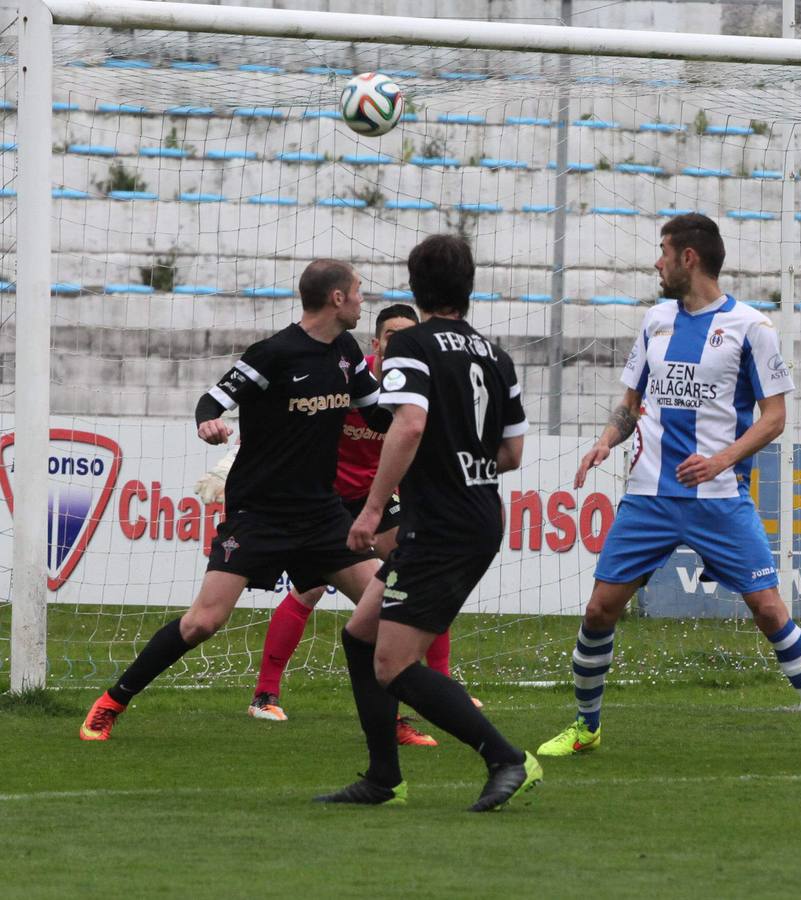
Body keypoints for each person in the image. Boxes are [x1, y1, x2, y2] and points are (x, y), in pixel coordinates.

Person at [535, 213, 801, 765]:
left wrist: (721, 460)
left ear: (689, 258)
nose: (655, 262)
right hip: (648, 498)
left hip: (719, 499)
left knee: (770, 611)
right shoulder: (655, 320)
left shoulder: (753, 328)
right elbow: (630, 402)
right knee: (598, 611)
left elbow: (774, 418)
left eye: (662, 251)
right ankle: (586, 727)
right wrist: (605, 441)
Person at [80, 260, 389, 741]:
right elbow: (212, 400)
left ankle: (394, 724)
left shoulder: (347, 351)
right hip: (260, 515)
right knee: (203, 623)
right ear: (336, 298)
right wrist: (208, 424)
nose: (361, 300)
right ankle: (111, 702)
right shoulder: (274, 353)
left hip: (322, 515)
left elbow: (381, 417)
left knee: (382, 610)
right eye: (357, 292)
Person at [315, 234, 541, 810]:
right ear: (468, 287)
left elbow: (409, 425)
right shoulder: (497, 356)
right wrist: (461, 457)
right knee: (361, 635)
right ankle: (383, 779)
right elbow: (512, 455)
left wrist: (370, 511)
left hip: (440, 522)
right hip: (476, 510)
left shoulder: (410, 343)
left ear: (416, 288)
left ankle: (505, 757)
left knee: (393, 663)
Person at [225, 303, 470, 744]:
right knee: (311, 588)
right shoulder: (350, 376)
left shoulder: (421, 382)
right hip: (324, 500)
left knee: (415, 574)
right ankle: (265, 694)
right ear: (376, 343)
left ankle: (441, 685)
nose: (399, 342)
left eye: (407, 334)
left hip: (374, 499)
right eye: (391, 334)